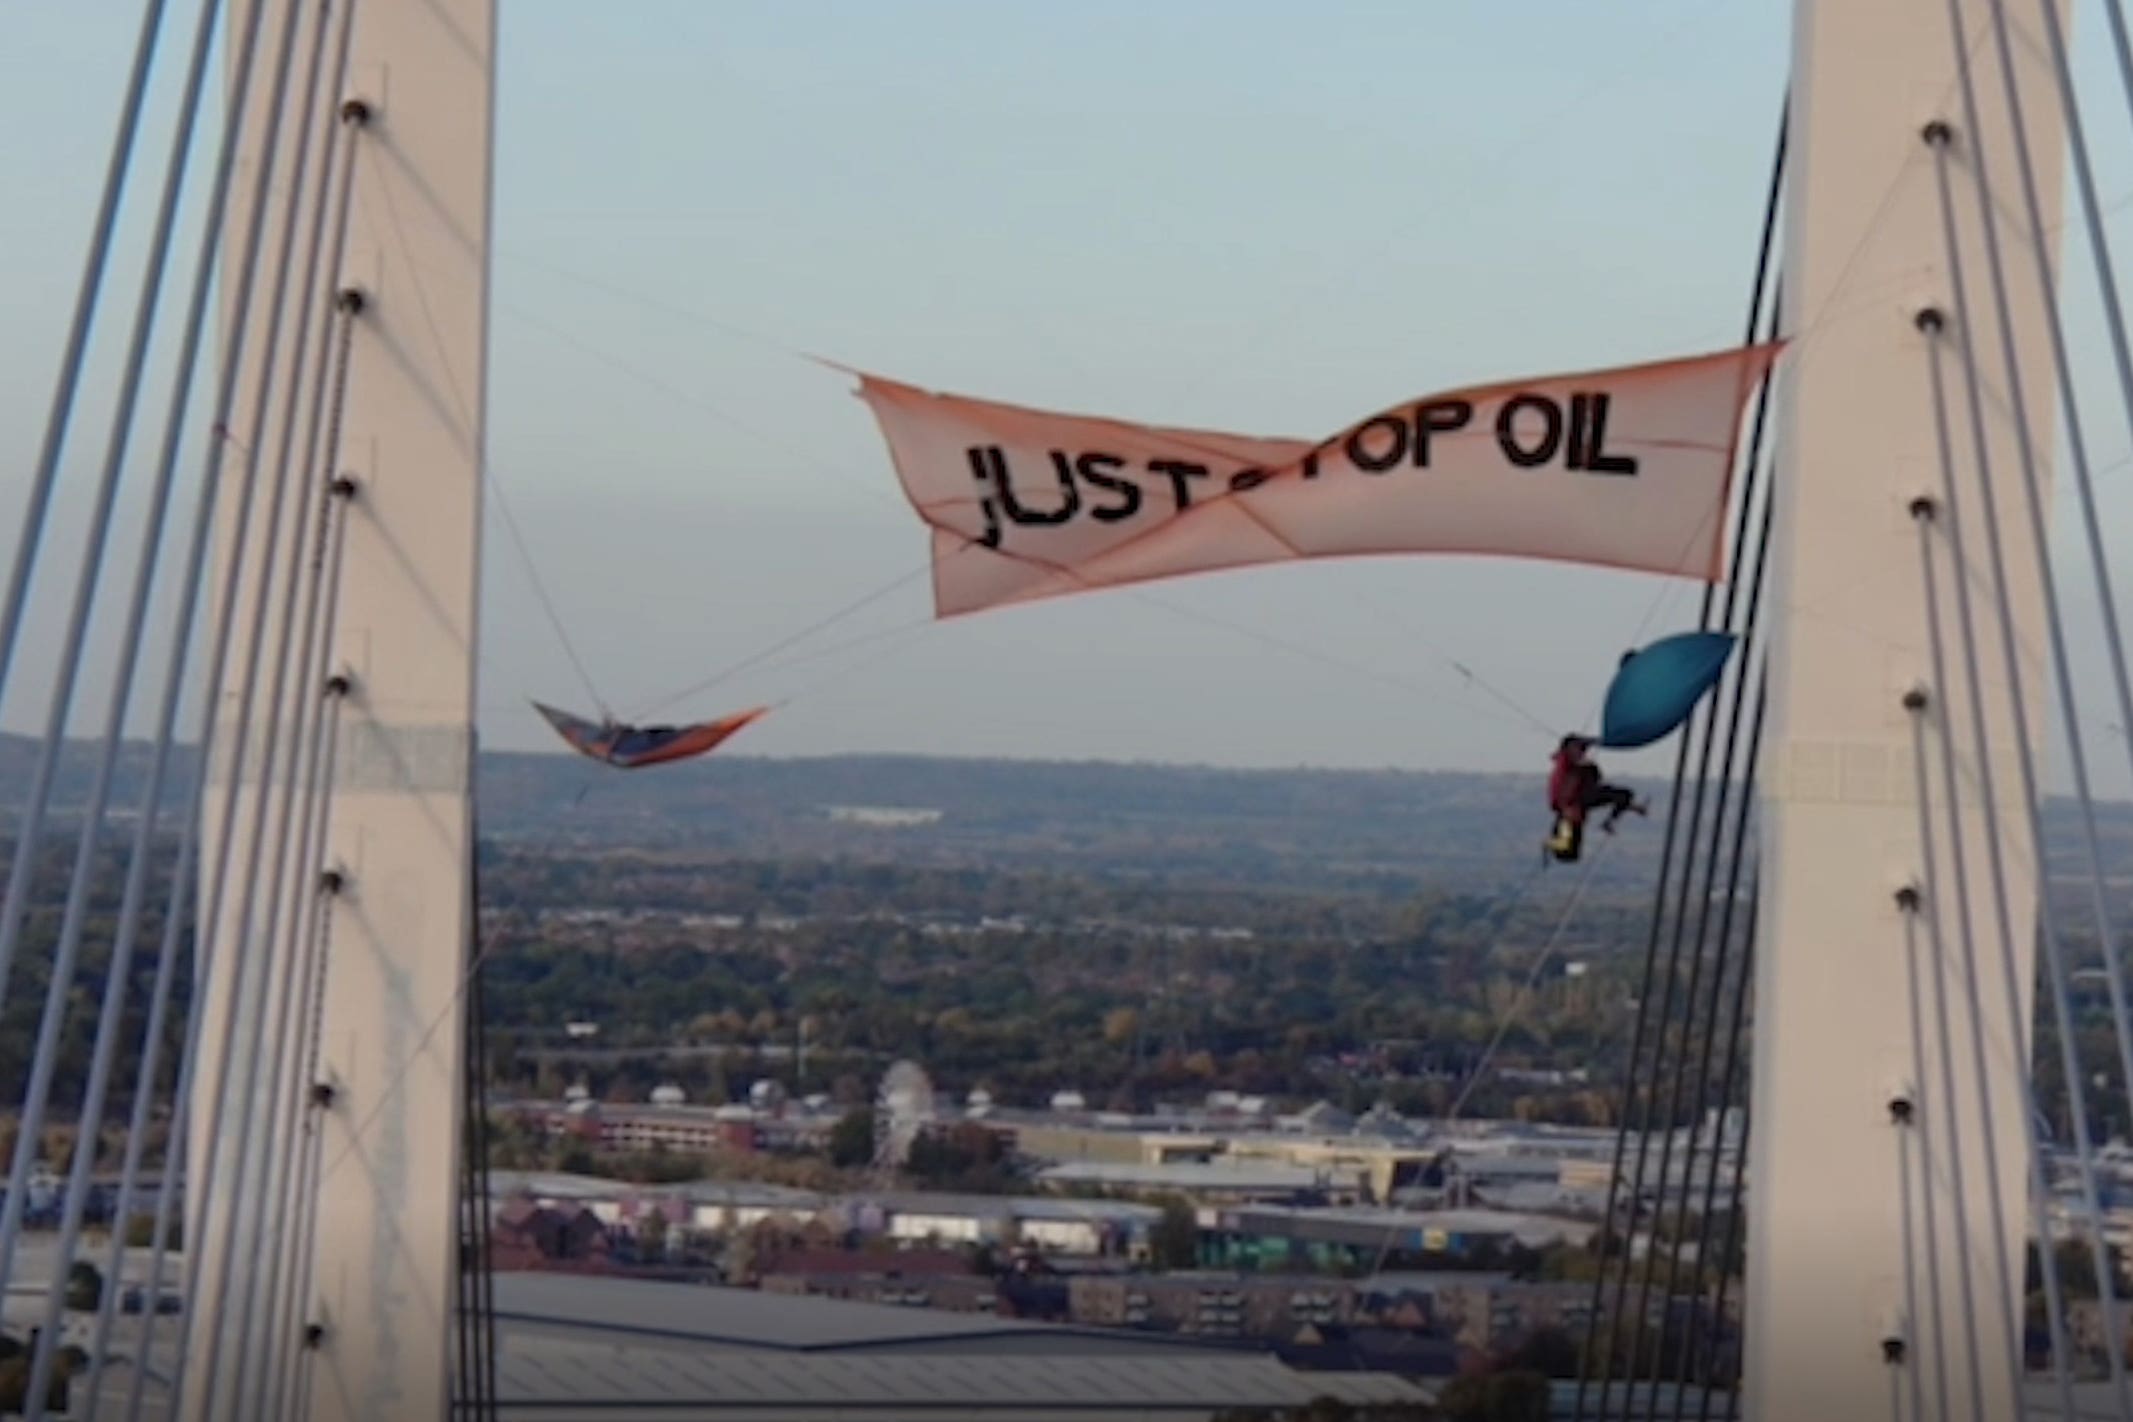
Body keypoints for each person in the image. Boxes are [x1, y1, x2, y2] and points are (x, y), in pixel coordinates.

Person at [1548, 735, 1647, 835]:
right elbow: (1575, 745)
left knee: (1624, 795)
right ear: (1568, 748)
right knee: (1622, 794)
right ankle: (1608, 823)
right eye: (1579, 748)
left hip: (1581, 801)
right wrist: (1603, 739)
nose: (1582, 752)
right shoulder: (1565, 760)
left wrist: (1635, 808)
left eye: (1583, 749)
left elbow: (1605, 794)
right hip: (1577, 800)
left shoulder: (1578, 767)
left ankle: (1609, 823)